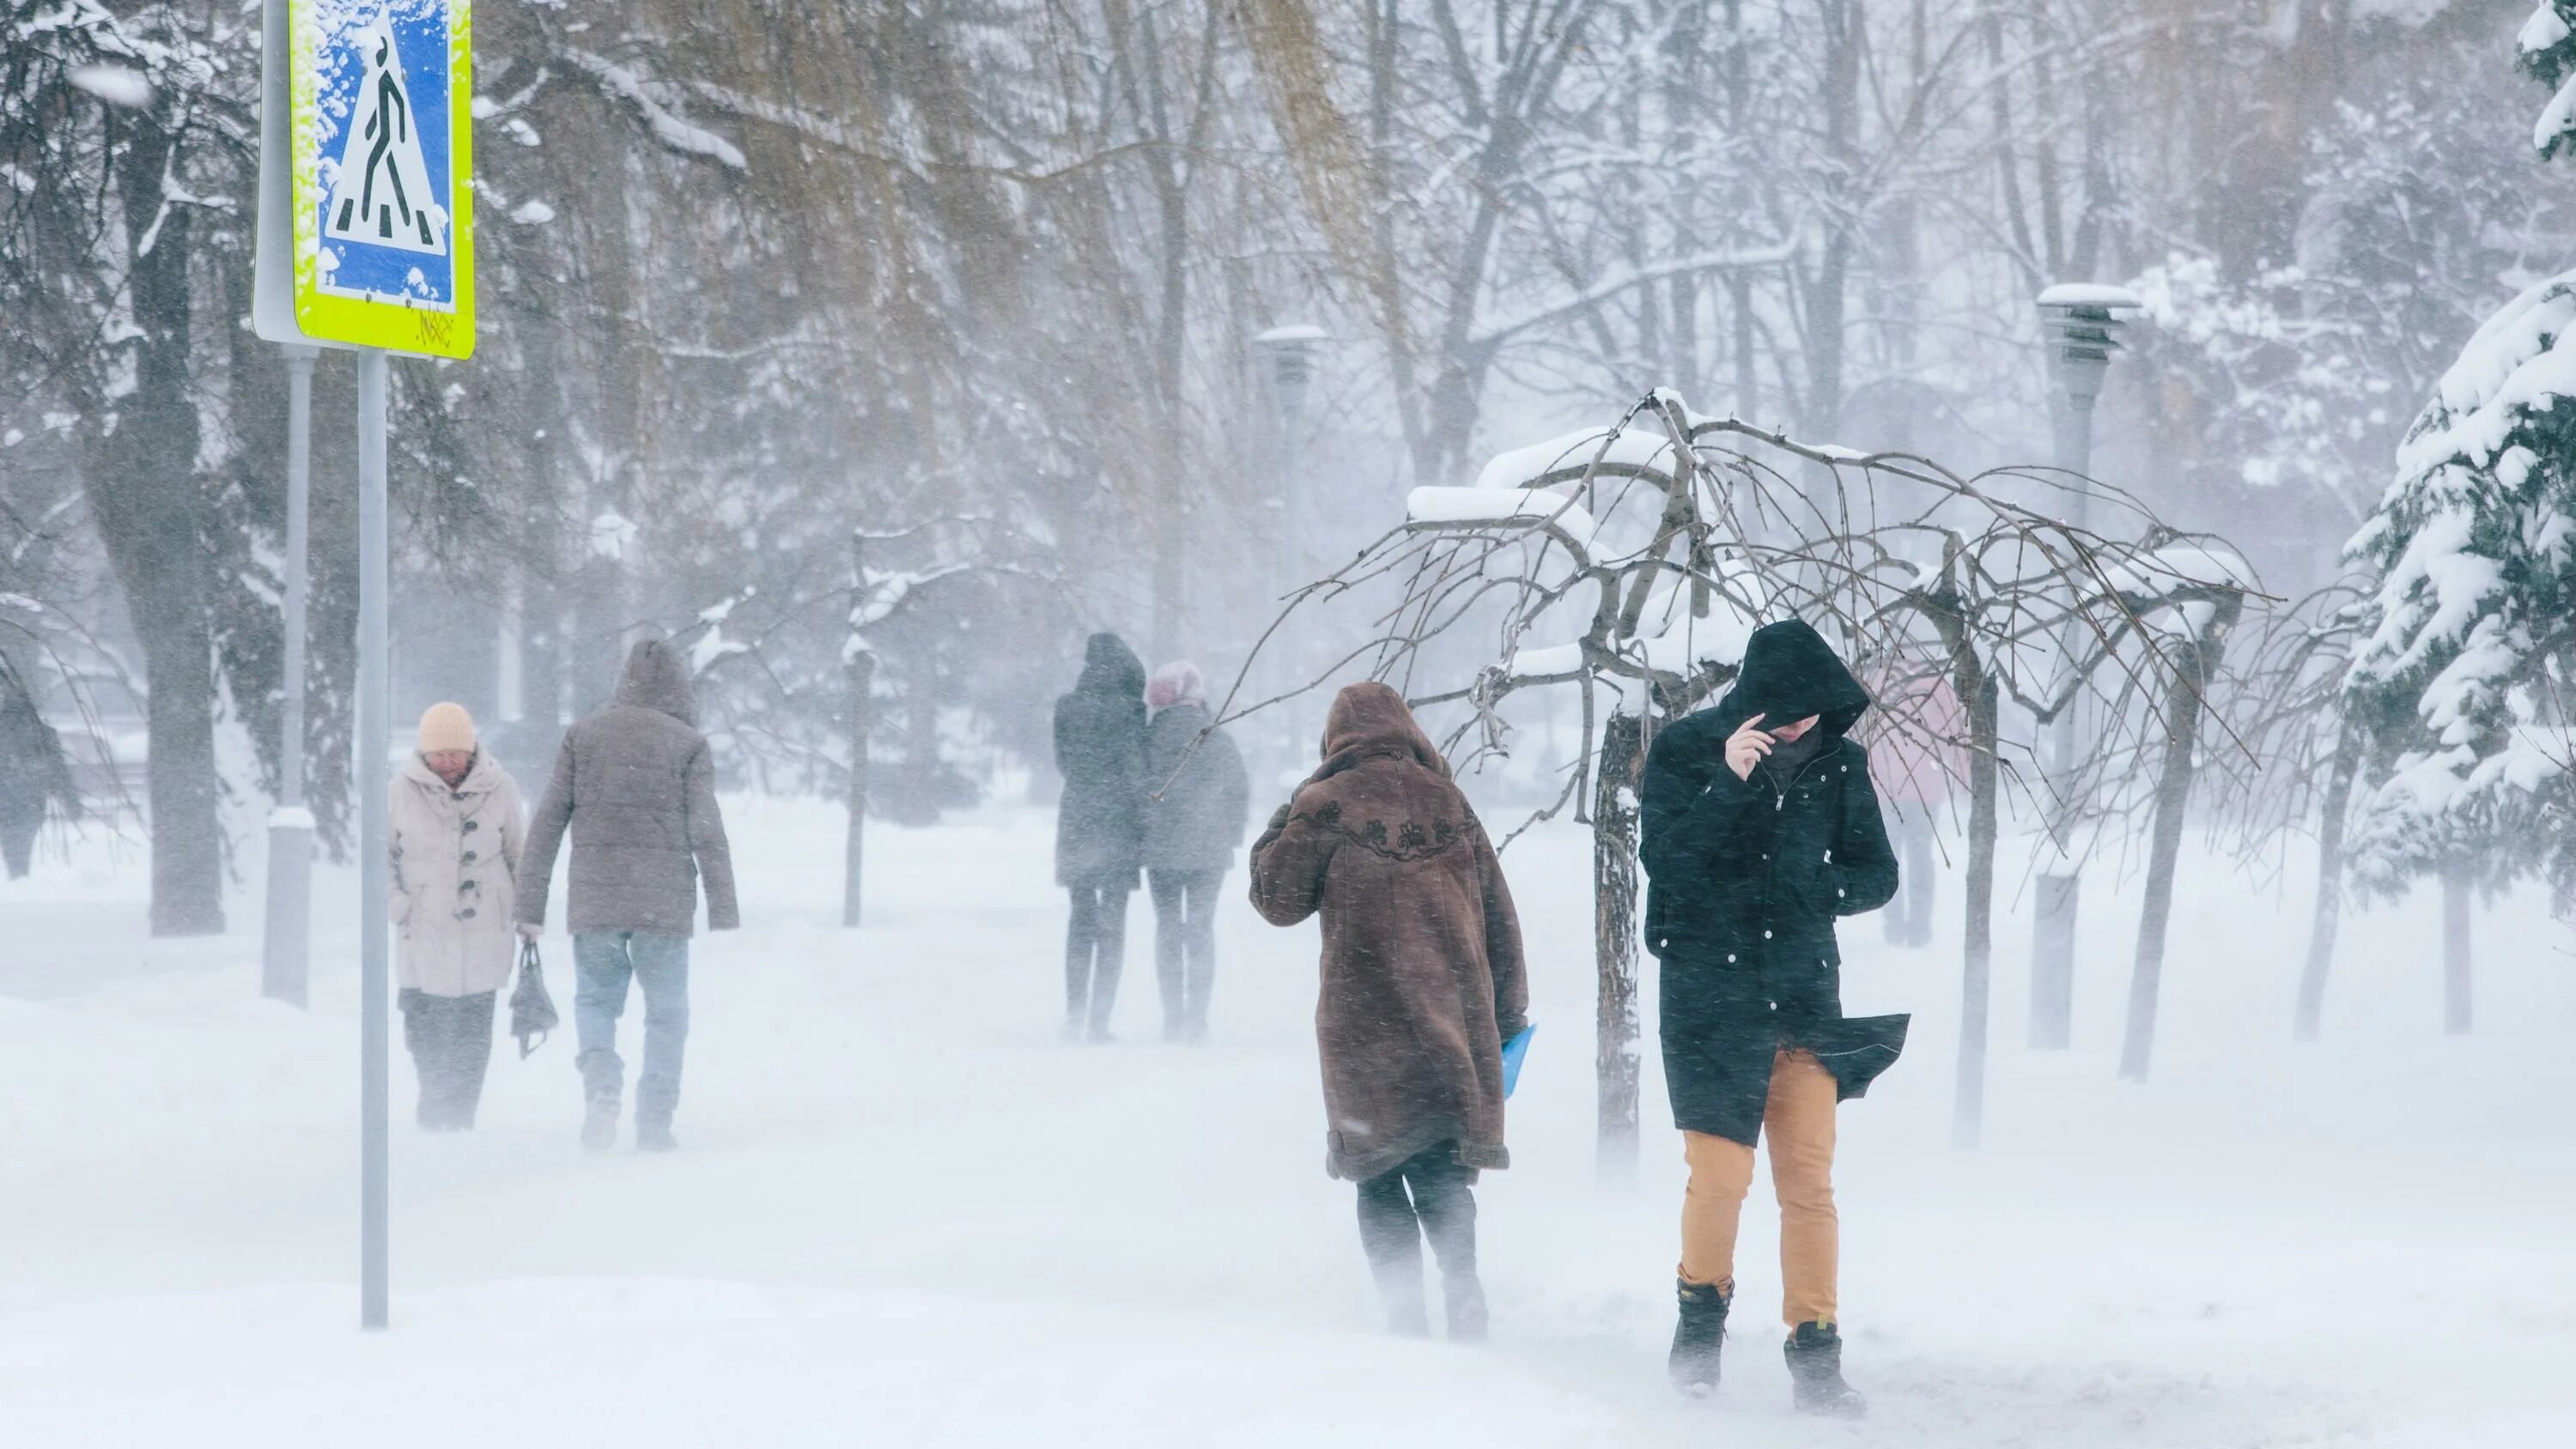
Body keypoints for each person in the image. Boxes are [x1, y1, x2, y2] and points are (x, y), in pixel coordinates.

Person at [1638, 619, 1907, 1416]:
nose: (1799, 726)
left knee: (1809, 1184)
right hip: (1708, 1002)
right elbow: (1667, 864)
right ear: (1752, 703)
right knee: (1720, 1180)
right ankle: (1697, 1332)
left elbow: (1878, 875)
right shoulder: (1687, 750)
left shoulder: (1841, 764)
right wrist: (1728, 782)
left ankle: (1816, 1355)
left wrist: (1818, 891)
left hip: (1803, 999)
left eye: (1812, 713)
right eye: (1785, 713)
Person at [1249, 682, 1527, 1342]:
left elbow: (1276, 899)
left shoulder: (1323, 806)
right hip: (1452, 1019)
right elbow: (1500, 919)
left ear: (1334, 740)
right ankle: (1465, 1296)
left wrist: (1286, 815)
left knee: (1377, 1173)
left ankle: (1405, 1319)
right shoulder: (1452, 804)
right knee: (1439, 1168)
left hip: (1362, 1025)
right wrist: (1509, 1015)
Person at [516, 639, 738, 1153]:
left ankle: (601, 1085)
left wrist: (530, 907)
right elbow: (707, 828)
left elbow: (547, 823)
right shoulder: (687, 744)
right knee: (666, 1013)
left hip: (595, 902)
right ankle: (655, 1121)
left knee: (596, 1000)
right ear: (678, 688)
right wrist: (723, 907)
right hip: (661, 907)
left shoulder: (584, 736)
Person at [388, 703, 526, 1131]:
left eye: (456, 753)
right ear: (424, 754)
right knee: (425, 1026)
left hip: (485, 928)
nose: (448, 763)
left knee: (472, 1030)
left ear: (471, 750)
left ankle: (461, 1115)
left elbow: (519, 855)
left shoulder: (501, 787)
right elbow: (381, 858)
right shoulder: (399, 791)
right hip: (424, 929)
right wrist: (399, 905)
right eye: (438, 754)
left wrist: (524, 914)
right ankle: (434, 1108)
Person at [1139, 661, 1249, 1043]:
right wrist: (1230, 834)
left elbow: (1139, 788)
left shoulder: (1149, 737)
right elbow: (1238, 788)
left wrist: (1147, 831)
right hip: (1209, 850)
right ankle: (1197, 1020)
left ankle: (1172, 1018)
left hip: (1162, 850)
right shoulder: (1215, 735)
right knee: (1201, 930)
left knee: (1169, 929)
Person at [1054, 633, 1147, 1043]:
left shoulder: (1067, 707)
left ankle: (1074, 1013)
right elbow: (1134, 768)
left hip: (1076, 817)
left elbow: (1063, 761)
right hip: (1117, 823)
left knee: (1080, 920)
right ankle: (1099, 1021)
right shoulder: (1129, 710)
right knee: (1112, 924)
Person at [1863, 664, 1965, 949]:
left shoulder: (1877, 678)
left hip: (1889, 788)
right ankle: (1916, 928)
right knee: (1918, 860)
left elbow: (1861, 730)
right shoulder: (1934, 681)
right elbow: (1955, 732)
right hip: (1920, 789)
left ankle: (1895, 927)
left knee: (1892, 860)